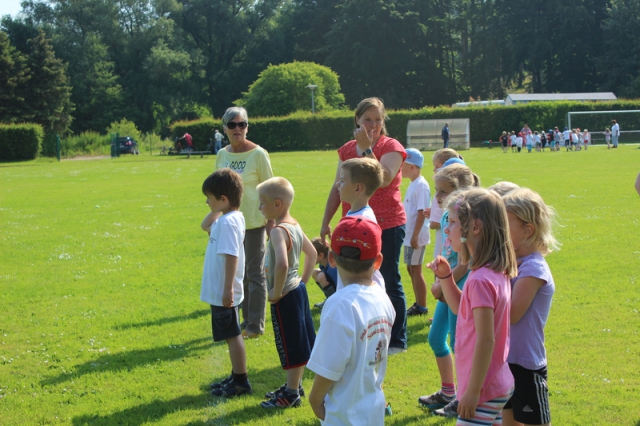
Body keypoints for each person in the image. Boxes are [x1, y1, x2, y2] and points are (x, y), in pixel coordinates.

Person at [320, 97, 408, 353]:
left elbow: (384, 179)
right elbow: (337, 187)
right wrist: (326, 221)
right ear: (357, 119)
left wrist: (367, 149)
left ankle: (396, 339)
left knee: (388, 278)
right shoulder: (347, 150)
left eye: (378, 120)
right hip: (353, 226)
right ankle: (362, 330)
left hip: (387, 224)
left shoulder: (391, 146)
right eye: (367, 119)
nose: (373, 125)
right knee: (351, 279)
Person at [427, 188, 517, 424]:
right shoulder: (492, 271)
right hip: (496, 382)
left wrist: (472, 392)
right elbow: (461, 310)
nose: (446, 229)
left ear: (475, 227)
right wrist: (446, 277)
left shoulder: (479, 280)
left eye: (453, 222)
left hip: (482, 390)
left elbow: (486, 340)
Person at [308, 216, 396, 425]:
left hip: (344, 415)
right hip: (373, 409)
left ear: (331, 258)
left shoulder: (339, 306)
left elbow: (330, 366)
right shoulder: (383, 299)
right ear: (378, 261)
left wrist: (315, 400)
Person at [203, 106, 274, 339]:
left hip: (253, 223)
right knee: (237, 274)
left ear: (247, 127)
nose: (237, 129)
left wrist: (271, 221)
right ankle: (245, 320)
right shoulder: (222, 155)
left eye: (242, 124)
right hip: (230, 224)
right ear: (224, 128)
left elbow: (270, 188)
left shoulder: (258, 154)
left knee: (255, 273)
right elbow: (218, 191)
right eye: (232, 125)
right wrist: (215, 220)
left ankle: (255, 325)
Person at [418, 163, 478, 417]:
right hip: (445, 283)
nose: (438, 196)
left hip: (458, 285)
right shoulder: (446, 217)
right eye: (437, 190)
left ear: (460, 191)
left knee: (458, 343)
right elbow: (445, 253)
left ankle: (464, 398)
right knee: (435, 338)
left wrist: (445, 283)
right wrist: (439, 281)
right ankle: (448, 392)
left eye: (443, 191)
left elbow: (465, 262)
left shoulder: (467, 219)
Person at [257, 177, 317, 409]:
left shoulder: (278, 232)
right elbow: (312, 254)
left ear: (277, 204)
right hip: (297, 291)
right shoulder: (294, 225)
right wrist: (302, 282)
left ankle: (291, 394)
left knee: (290, 345)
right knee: (298, 342)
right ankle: (295, 385)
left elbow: (282, 264)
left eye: (262, 203)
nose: (260, 207)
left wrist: (276, 291)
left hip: (285, 296)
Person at [501, 188, 558, 426]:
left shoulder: (533, 268)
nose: (499, 231)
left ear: (528, 230)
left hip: (525, 364)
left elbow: (512, 314)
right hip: (505, 360)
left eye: (504, 224)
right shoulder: (513, 263)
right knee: (508, 420)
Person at [200, 169, 252, 398]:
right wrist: (216, 208)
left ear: (223, 199)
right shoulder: (227, 218)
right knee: (232, 333)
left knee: (233, 335)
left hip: (225, 291)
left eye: (209, 198)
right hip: (222, 290)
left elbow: (232, 255)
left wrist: (228, 288)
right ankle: (235, 375)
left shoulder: (229, 223)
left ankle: (241, 381)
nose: (206, 202)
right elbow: (205, 225)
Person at [402, 148, 431, 316]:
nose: (400, 168)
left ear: (412, 166)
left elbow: (421, 212)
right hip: (409, 235)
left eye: (403, 164)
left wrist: (415, 235)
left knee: (416, 269)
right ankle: (418, 303)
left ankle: (422, 306)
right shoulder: (413, 183)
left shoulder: (421, 186)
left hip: (415, 235)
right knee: (410, 269)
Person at [311, 237, 338, 309]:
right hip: (337, 293)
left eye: (311, 255)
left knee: (321, 276)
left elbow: (341, 287)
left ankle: (333, 304)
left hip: (342, 295)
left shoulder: (333, 268)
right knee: (315, 272)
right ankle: (329, 300)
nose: (309, 258)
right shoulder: (322, 265)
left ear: (321, 255)